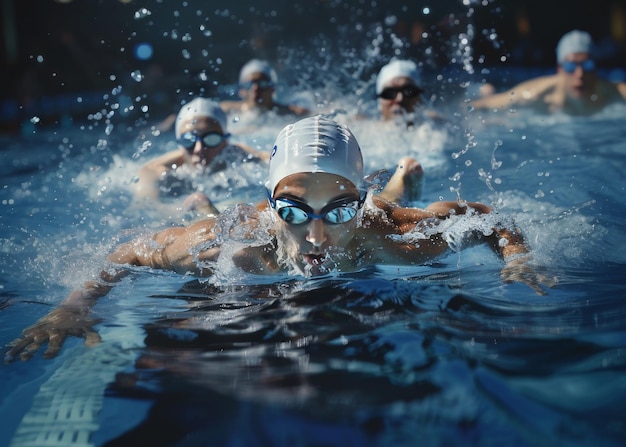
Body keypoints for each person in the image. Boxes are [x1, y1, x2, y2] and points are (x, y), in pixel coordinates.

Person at [5, 116, 553, 363]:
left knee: (397, 198)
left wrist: (518, 259)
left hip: (380, 209)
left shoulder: (389, 236)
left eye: (338, 209)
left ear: (355, 204)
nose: (315, 234)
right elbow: (125, 250)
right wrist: (71, 308)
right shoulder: (230, 244)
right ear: (270, 206)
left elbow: (483, 217)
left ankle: (400, 179)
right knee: (204, 212)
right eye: (293, 209)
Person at [133, 97, 269, 217]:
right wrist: (188, 207)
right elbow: (148, 207)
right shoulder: (155, 170)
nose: (199, 149)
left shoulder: (237, 153)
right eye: (188, 140)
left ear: (225, 141)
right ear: (179, 143)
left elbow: (272, 160)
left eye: (211, 139)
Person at [470, 30, 626, 115]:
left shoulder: (612, 92)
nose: (580, 74)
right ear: (559, 69)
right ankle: (487, 91)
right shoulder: (536, 94)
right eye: (571, 67)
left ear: (596, 68)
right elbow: (478, 106)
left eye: (587, 65)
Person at [220, 59, 310, 117]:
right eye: (249, 84)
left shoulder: (294, 113)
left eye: (262, 83)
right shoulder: (226, 110)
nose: (255, 88)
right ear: (242, 91)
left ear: (272, 88)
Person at [375, 59, 445, 127]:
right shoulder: (366, 129)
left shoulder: (438, 126)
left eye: (409, 91)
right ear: (380, 100)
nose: (400, 99)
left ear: (419, 98)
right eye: (389, 93)